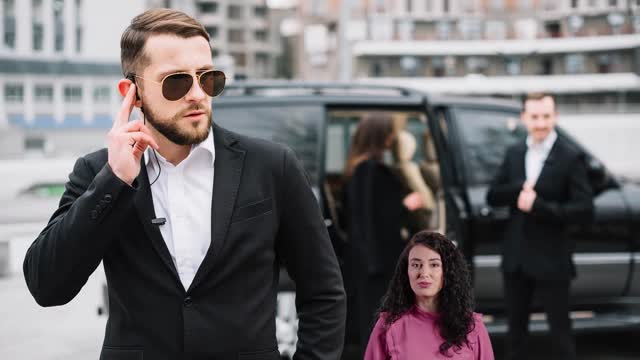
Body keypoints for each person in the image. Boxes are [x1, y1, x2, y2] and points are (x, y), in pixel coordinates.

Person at [23, 9, 346, 360]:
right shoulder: (98, 172)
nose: (197, 94)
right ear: (132, 92)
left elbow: (324, 292)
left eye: (208, 78)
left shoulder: (272, 166)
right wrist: (114, 181)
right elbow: (47, 286)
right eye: (176, 81)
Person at [486, 93, 593, 360]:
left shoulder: (570, 157)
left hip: (552, 259)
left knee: (560, 333)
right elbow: (493, 195)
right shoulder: (515, 152)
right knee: (515, 334)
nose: (541, 123)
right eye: (535, 117)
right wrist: (518, 190)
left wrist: (540, 206)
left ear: (555, 116)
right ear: (524, 118)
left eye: (547, 116)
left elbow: (584, 210)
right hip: (517, 258)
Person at [343, 114, 424, 354]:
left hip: (372, 259)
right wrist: (406, 205)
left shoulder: (362, 167)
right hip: (376, 261)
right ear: (382, 137)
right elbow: (370, 217)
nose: (394, 137)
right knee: (377, 324)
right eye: (391, 132)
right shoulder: (369, 169)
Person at [364, 231, 494, 360]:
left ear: (447, 272)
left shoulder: (472, 326)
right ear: (406, 271)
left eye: (434, 265)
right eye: (416, 265)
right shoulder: (389, 325)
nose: (424, 273)